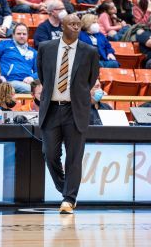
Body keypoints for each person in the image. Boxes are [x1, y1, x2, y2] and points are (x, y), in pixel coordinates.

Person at [37, 14, 99, 214]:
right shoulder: (46, 48)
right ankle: (65, 189)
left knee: (74, 157)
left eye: (78, 25)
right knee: (50, 154)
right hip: (52, 108)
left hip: (75, 110)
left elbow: (90, 80)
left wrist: (77, 96)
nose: (76, 27)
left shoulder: (89, 51)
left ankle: (68, 199)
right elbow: (42, 76)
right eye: (72, 24)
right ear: (62, 26)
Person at [0, 23, 38, 93]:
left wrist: (32, 77)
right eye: (18, 34)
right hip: (8, 81)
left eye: (24, 34)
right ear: (13, 35)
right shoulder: (4, 44)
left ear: (28, 36)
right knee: (37, 91)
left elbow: (39, 71)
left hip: (26, 83)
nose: (21, 36)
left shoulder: (34, 52)